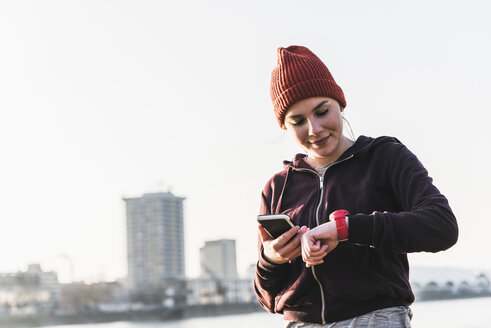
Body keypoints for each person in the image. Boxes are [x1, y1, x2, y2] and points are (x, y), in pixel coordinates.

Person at [254, 45, 458, 327]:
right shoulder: (277, 187)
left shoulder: (384, 157)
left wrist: (346, 229)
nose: (314, 129)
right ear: (284, 127)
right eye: (298, 121)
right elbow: (267, 298)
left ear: (340, 103)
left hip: (374, 319)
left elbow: (441, 226)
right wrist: (271, 257)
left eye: (322, 111)